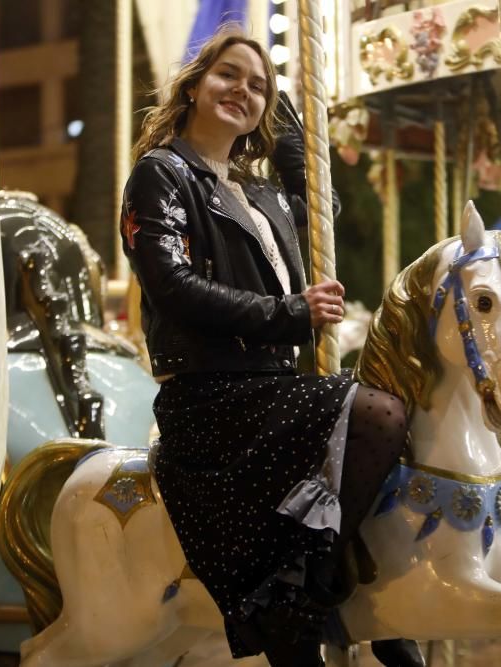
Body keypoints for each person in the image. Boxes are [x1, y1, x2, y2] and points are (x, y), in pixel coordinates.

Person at [121, 26, 410, 667]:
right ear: (193, 87)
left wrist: (284, 110)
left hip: (275, 390)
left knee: (407, 426)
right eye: (227, 75)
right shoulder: (163, 175)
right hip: (213, 394)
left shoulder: (261, 194)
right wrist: (290, 313)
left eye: (258, 87)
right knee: (380, 413)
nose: (242, 91)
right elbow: (172, 286)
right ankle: (309, 590)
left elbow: (322, 204)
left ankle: (327, 593)